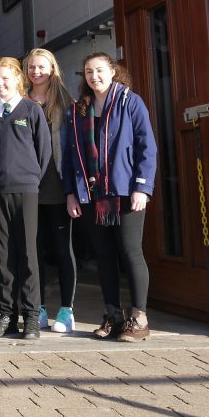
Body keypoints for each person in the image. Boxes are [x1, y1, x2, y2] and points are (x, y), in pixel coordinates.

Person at [63, 52, 157, 342]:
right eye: (89, 72)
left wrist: (142, 187)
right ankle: (113, 316)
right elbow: (69, 156)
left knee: (130, 253)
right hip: (91, 194)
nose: (95, 77)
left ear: (113, 71)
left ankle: (139, 319)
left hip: (125, 192)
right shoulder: (78, 110)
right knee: (104, 256)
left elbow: (147, 147)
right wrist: (71, 193)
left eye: (100, 70)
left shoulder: (131, 101)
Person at [0, 57, 52, 341]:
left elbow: (44, 151)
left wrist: (32, 179)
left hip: (26, 189)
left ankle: (31, 316)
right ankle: (8, 315)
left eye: (6, 78)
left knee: (28, 254)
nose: (1, 83)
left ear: (17, 79)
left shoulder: (31, 110)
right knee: (4, 253)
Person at [24, 48, 77, 333]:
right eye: (31, 67)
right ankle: (38, 306)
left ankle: (67, 310)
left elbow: (72, 151)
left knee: (61, 248)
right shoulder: (20, 101)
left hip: (58, 185)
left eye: (41, 66)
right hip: (30, 185)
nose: (36, 71)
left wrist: (72, 191)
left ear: (52, 69)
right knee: (35, 249)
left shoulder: (66, 103)